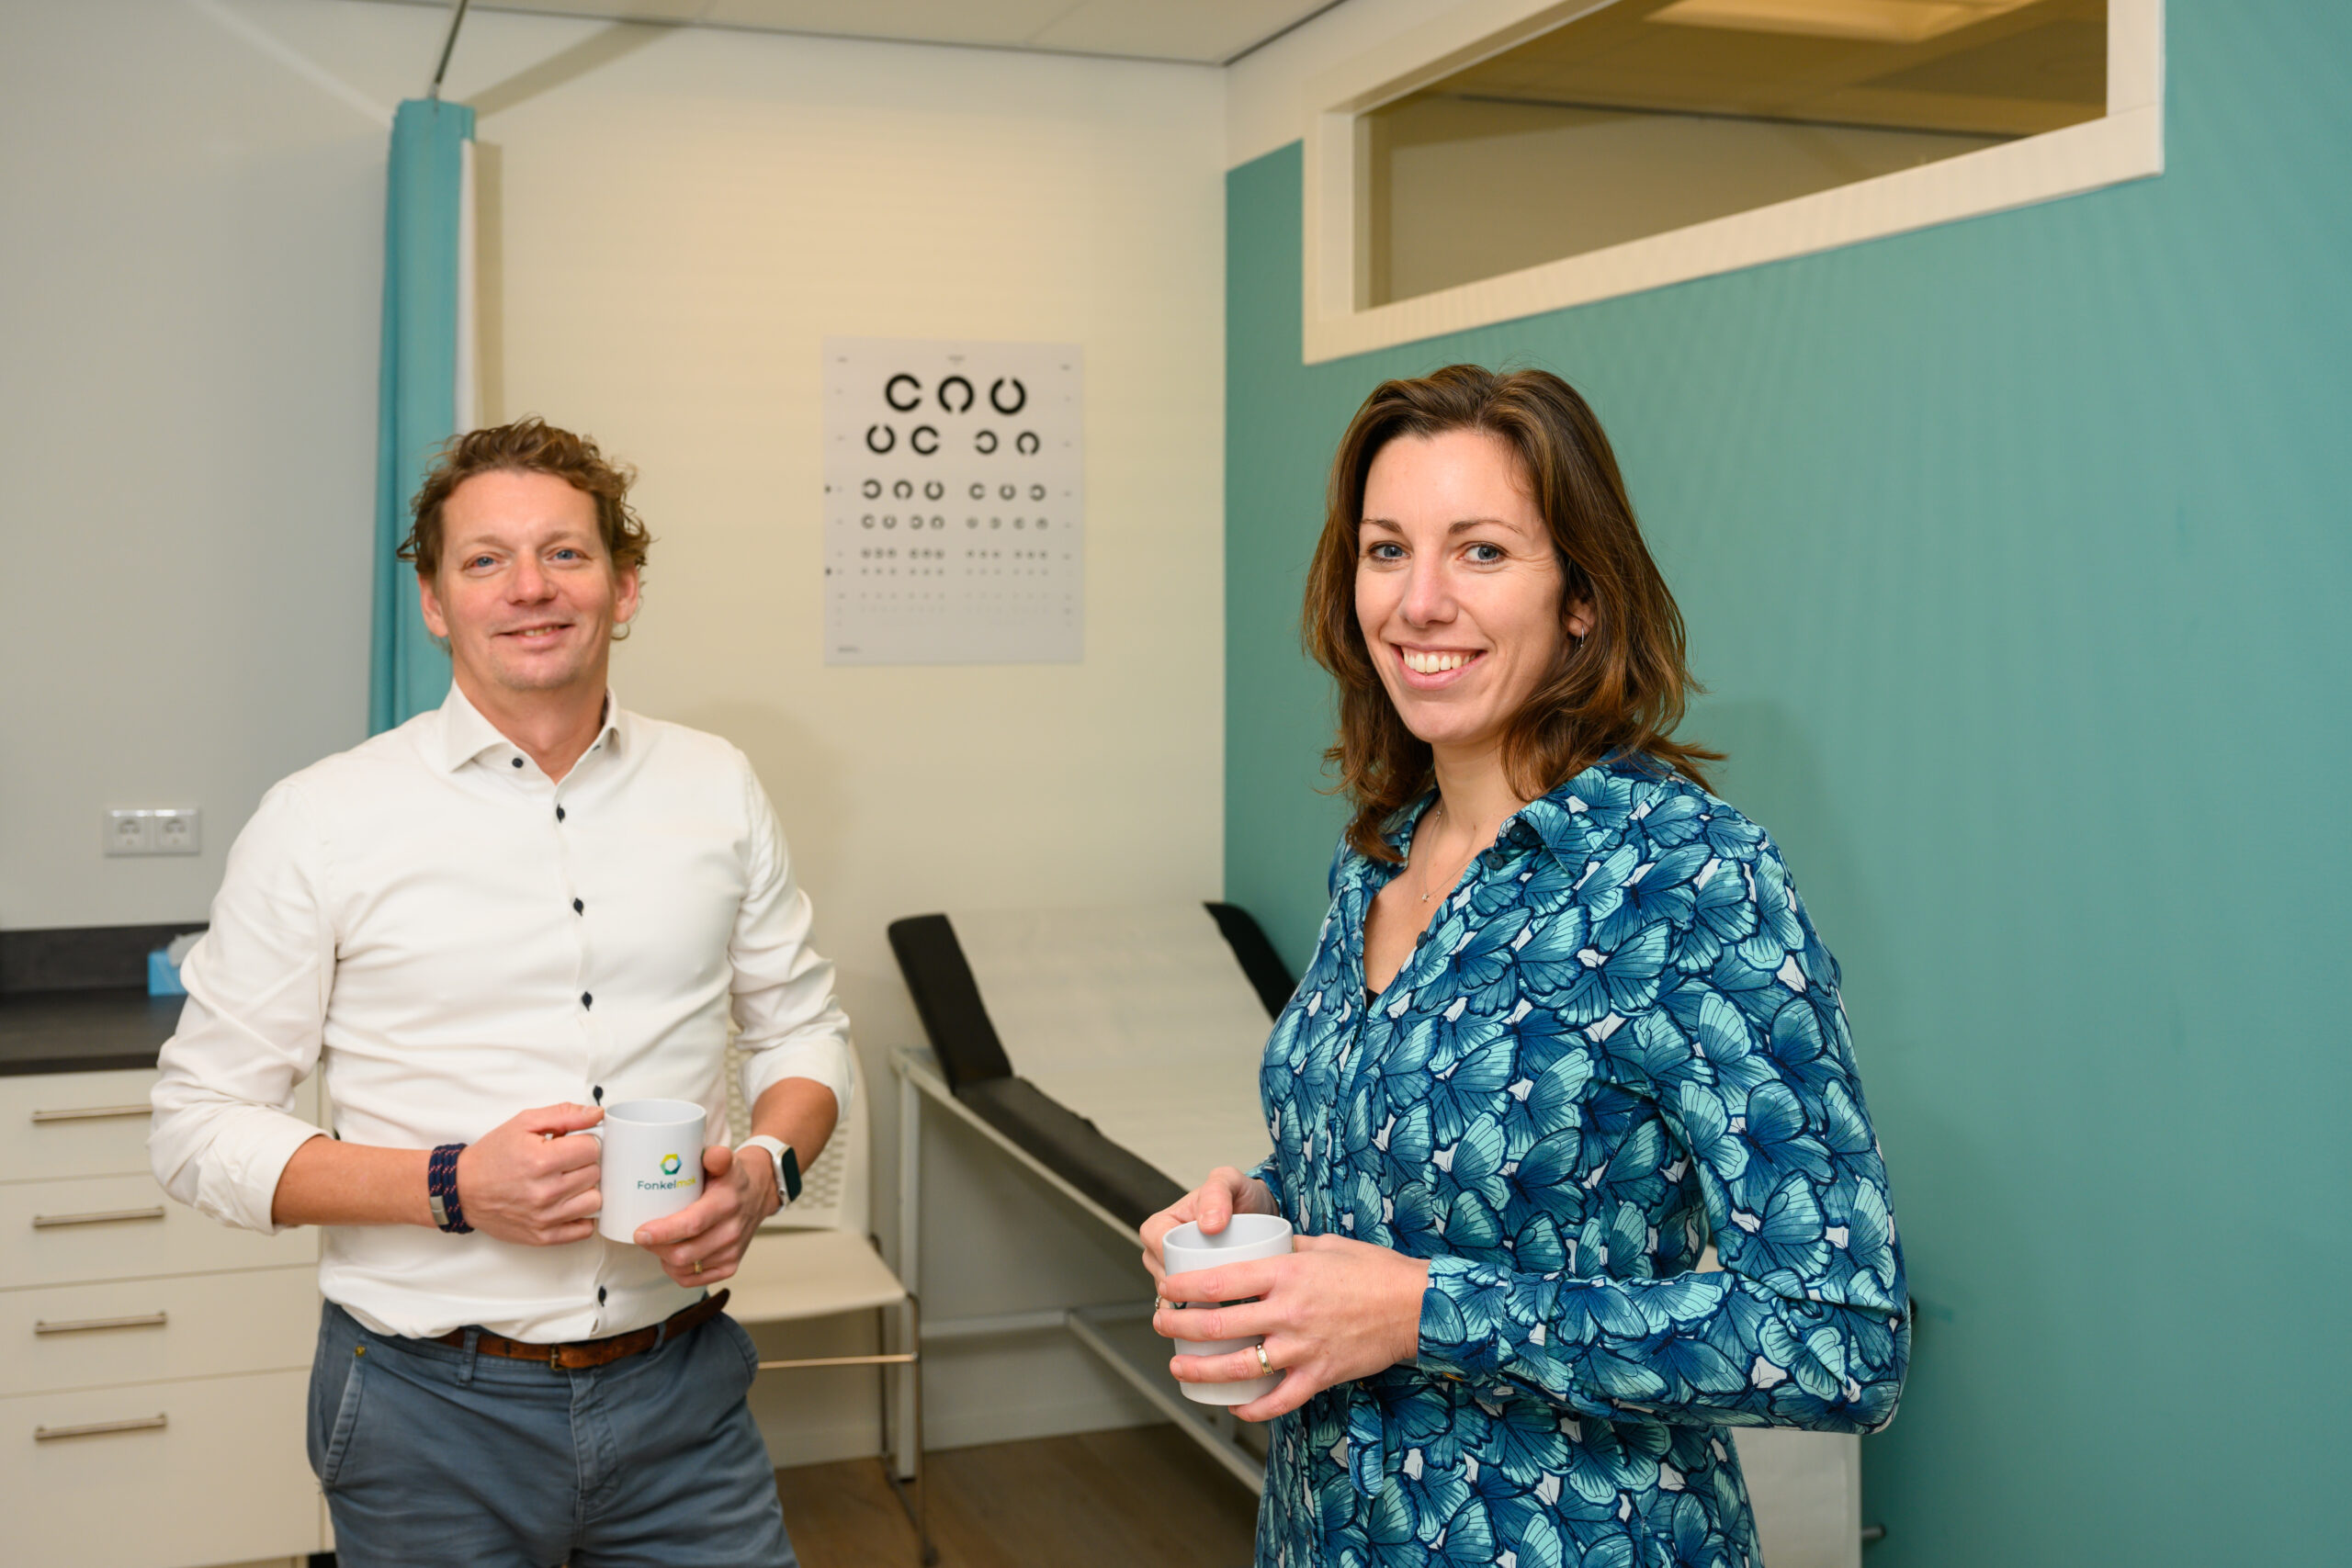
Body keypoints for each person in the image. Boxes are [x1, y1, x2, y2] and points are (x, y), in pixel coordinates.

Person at [1143, 367, 1908, 1567]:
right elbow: (1426, 1171)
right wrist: (1266, 1212)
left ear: (1583, 599)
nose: (1420, 601)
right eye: (1386, 550)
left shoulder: (1683, 873)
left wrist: (1425, 1313)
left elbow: (1839, 1337)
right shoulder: (1377, 853)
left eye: (1483, 551)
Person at [150, 418, 847, 1568]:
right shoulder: (322, 820)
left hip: (684, 1395)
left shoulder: (716, 786)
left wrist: (768, 1170)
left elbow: (803, 1028)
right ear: (435, 602)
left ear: (624, 586)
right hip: (428, 1414)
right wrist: (452, 1186)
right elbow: (195, 1127)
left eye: (565, 553)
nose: (530, 588)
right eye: (486, 560)